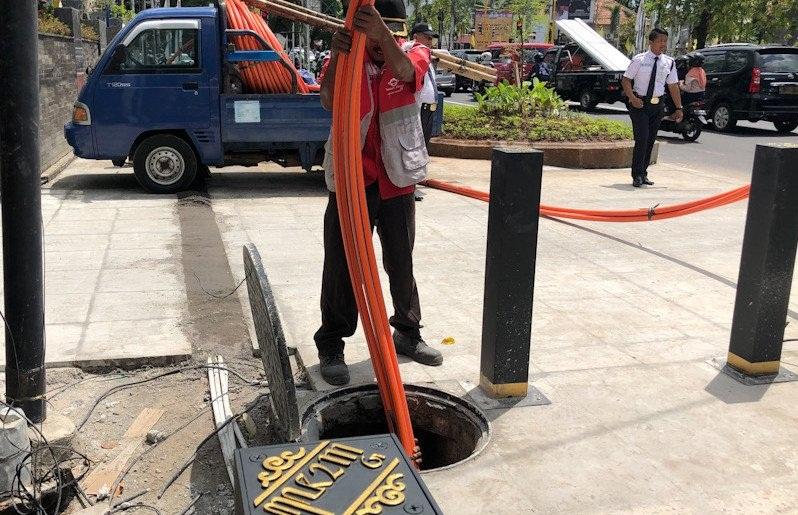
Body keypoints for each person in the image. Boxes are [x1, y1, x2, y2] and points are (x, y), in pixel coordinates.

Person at [314, 0, 444, 386]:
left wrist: (381, 36)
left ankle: (407, 332)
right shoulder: (345, 56)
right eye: (369, 37)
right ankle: (332, 343)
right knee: (341, 263)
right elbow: (328, 99)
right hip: (352, 179)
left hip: (396, 179)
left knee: (401, 261)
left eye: (385, 35)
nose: (374, 45)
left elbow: (407, 72)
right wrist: (340, 56)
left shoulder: (411, 53)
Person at [622, 28, 683, 188]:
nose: (663, 44)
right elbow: (626, 80)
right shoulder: (639, 60)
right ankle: (636, 175)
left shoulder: (669, 62)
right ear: (651, 41)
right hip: (640, 104)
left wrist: (679, 108)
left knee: (650, 140)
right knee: (642, 138)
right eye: (660, 40)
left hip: (658, 105)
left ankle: (644, 173)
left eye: (665, 40)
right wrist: (632, 98)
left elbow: (673, 86)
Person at [410, 22, 439, 146]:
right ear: (415, 37)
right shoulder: (410, 54)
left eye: (431, 38)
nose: (430, 41)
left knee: (424, 148)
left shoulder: (427, 57)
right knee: (416, 147)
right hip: (418, 110)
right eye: (427, 37)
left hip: (429, 111)